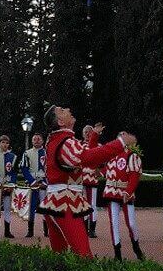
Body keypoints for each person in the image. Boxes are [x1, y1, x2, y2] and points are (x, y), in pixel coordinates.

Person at [37, 105, 134, 258]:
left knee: (59, 258)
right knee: (84, 257)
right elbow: (89, 158)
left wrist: (94, 136)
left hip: (55, 203)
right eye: (62, 110)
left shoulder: (56, 140)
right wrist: (120, 143)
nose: (68, 109)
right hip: (65, 203)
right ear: (61, 122)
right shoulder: (66, 141)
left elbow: (88, 152)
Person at [103, 143, 144, 261]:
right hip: (111, 192)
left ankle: (136, 246)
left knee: (131, 223)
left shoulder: (132, 156)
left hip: (126, 193)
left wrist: (128, 191)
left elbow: (134, 176)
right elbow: (103, 168)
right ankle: (117, 252)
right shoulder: (110, 155)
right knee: (114, 223)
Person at [21, 133, 48, 238]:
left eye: (38, 139)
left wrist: (45, 182)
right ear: (32, 141)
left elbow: (50, 168)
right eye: (34, 139)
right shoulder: (27, 153)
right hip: (32, 184)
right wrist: (32, 181)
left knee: (46, 207)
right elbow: (24, 169)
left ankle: (47, 231)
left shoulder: (47, 153)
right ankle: (30, 231)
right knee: (31, 207)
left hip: (44, 184)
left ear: (42, 141)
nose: (36, 141)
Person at [80, 124, 102, 238]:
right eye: (86, 132)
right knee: (83, 204)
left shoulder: (98, 145)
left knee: (92, 204)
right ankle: (84, 228)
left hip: (93, 179)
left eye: (90, 132)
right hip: (81, 179)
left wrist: (99, 169)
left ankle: (92, 229)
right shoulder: (79, 145)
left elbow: (104, 160)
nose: (88, 134)